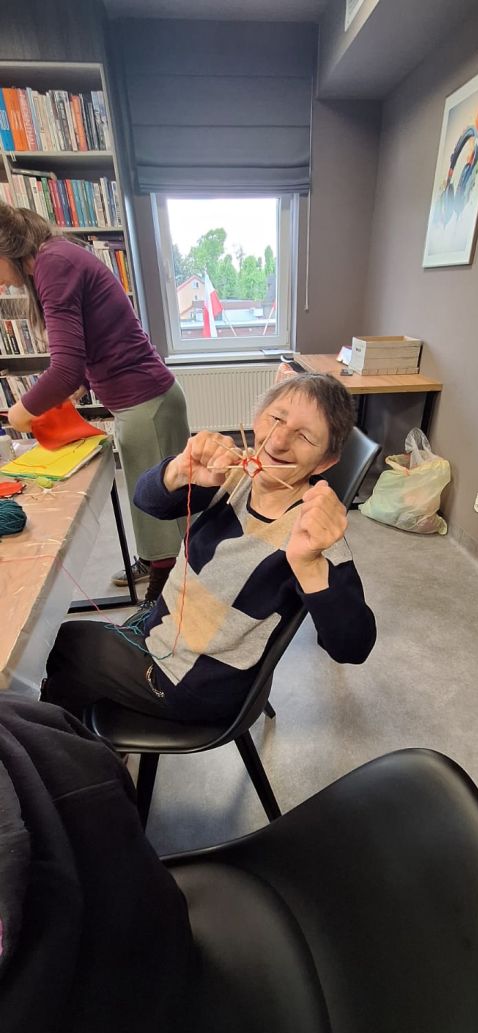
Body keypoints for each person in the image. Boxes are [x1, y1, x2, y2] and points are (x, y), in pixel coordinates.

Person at [42, 373, 376, 723]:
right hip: (164, 627)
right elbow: (147, 502)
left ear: (325, 463)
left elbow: (352, 648)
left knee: (67, 643)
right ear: (257, 416)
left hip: (197, 683)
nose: (277, 442)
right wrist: (177, 471)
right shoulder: (234, 474)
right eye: (276, 418)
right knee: (81, 656)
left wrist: (310, 567)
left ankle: (65, 741)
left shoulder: (313, 536)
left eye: (304, 436)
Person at [0, 202, 189, 606]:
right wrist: (83, 385)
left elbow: (65, 366)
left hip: (147, 404)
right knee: (147, 497)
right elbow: (99, 339)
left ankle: (158, 601)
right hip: (143, 402)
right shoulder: (55, 257)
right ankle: (153, 561)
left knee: (157, 504)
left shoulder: (53, 264)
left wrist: (22, 410)